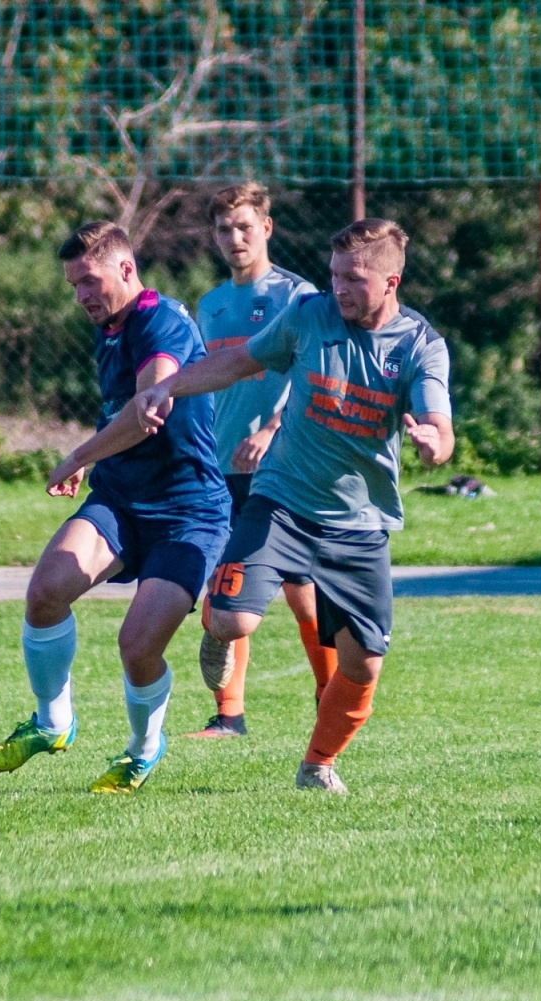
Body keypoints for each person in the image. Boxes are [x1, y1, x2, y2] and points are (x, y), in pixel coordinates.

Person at [132, 218, 454, 793]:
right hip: (280, 500)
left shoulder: (419, 345)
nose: (340, 289)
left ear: (391, 282)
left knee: (363, 667)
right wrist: (169, 386)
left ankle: (317, 764)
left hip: (360, 526)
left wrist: (434, 442)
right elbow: (239, 362)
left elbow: (439, 423)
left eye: (354, 279)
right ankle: (216, 625)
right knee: (234, 619)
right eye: (334, 276)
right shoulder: (310, 316)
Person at [0, 222, 232, 794]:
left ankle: (143, 751)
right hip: (121, 500)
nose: (82, 297)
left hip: (189, 513)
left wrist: (77, 458)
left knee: (137, 646)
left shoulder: (158, 320)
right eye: (73, 286)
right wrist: (99, 464)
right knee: (46, 592)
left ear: (125, 268)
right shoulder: (111, 326)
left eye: (89, 281)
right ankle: (52, 724)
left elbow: (150, 409)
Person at [184, 182, 323, 740]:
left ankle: (329, 690)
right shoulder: (211, 304)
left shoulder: (298, 295)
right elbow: (206, 382)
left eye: (244, 226)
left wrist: (271, 428)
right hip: (221, 465)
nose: (234, 237)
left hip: (282, 464)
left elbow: (311, 372)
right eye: (224, 229)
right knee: (226, 582)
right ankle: (229, 716)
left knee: (300, 589)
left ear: (266, 227)